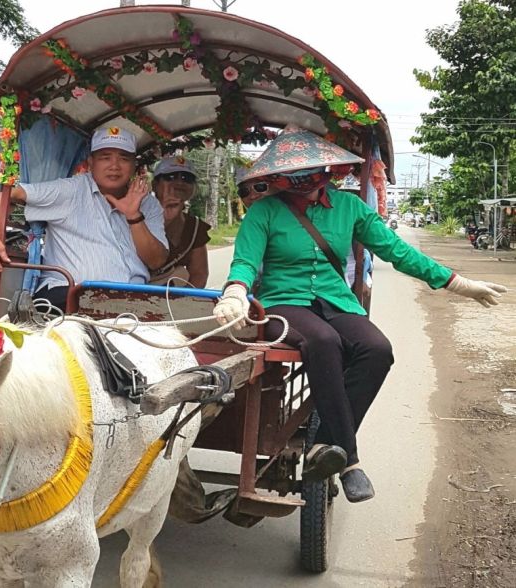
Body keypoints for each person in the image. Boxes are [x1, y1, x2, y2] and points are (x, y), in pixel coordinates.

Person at [213, 127, 507, 503]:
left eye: (310, 170)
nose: (302, 179)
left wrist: (456, 283)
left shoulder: (351, 208)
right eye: (293, 173)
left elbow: (398, 252)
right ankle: (349, 461)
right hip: (282, 302)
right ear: (278, 177)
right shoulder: (264, 212)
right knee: (323, 341)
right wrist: (236, 292)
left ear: (327, 171)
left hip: (337, 302)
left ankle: (323, 445)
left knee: (377, 348)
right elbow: (245, 261)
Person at [0, 127, 169, 311]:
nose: (114, 166)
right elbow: (9, 195)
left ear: (134, 165)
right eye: (105, 157)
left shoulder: (148, 204)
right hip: (70, 295)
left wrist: (134, 216)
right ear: (91, 163)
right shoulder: (71, 190)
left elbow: (156, 261)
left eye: (123, 158)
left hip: (134, 300)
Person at [148, 156, 211, 288]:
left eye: (186, 179)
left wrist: (183, 304)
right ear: (155, 185)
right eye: (170, 177)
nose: (179, 183)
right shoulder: (137, 214)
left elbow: (199, 274)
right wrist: (165, 220)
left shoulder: (195, 227)